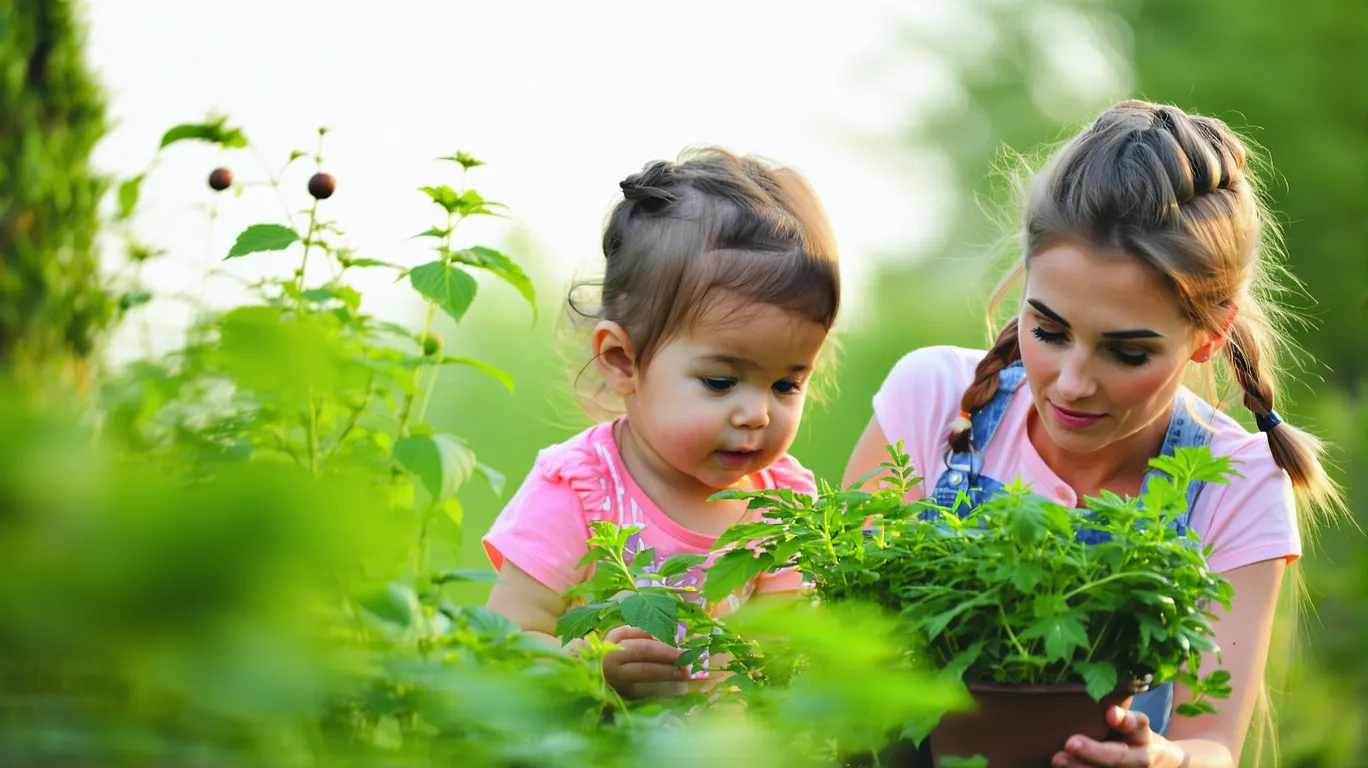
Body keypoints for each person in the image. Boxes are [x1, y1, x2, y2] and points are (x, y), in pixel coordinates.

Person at [843, 100, 1339, 768]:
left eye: (1127, 352)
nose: (1073, 382)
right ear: (1023, 283)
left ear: (1211, 333)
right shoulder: (933, 399)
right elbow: (835, 648)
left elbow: (1213, 739)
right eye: (1048, 331)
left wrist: (1166, 759)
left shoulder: (1240, 480)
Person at [484, 148, 840, 700]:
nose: (758, 413)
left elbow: (788, 649)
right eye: (721, 383)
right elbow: (504, 645)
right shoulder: (581, 490)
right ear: (623, 360)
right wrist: (591, 665)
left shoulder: (784, 506)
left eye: (786, 384)